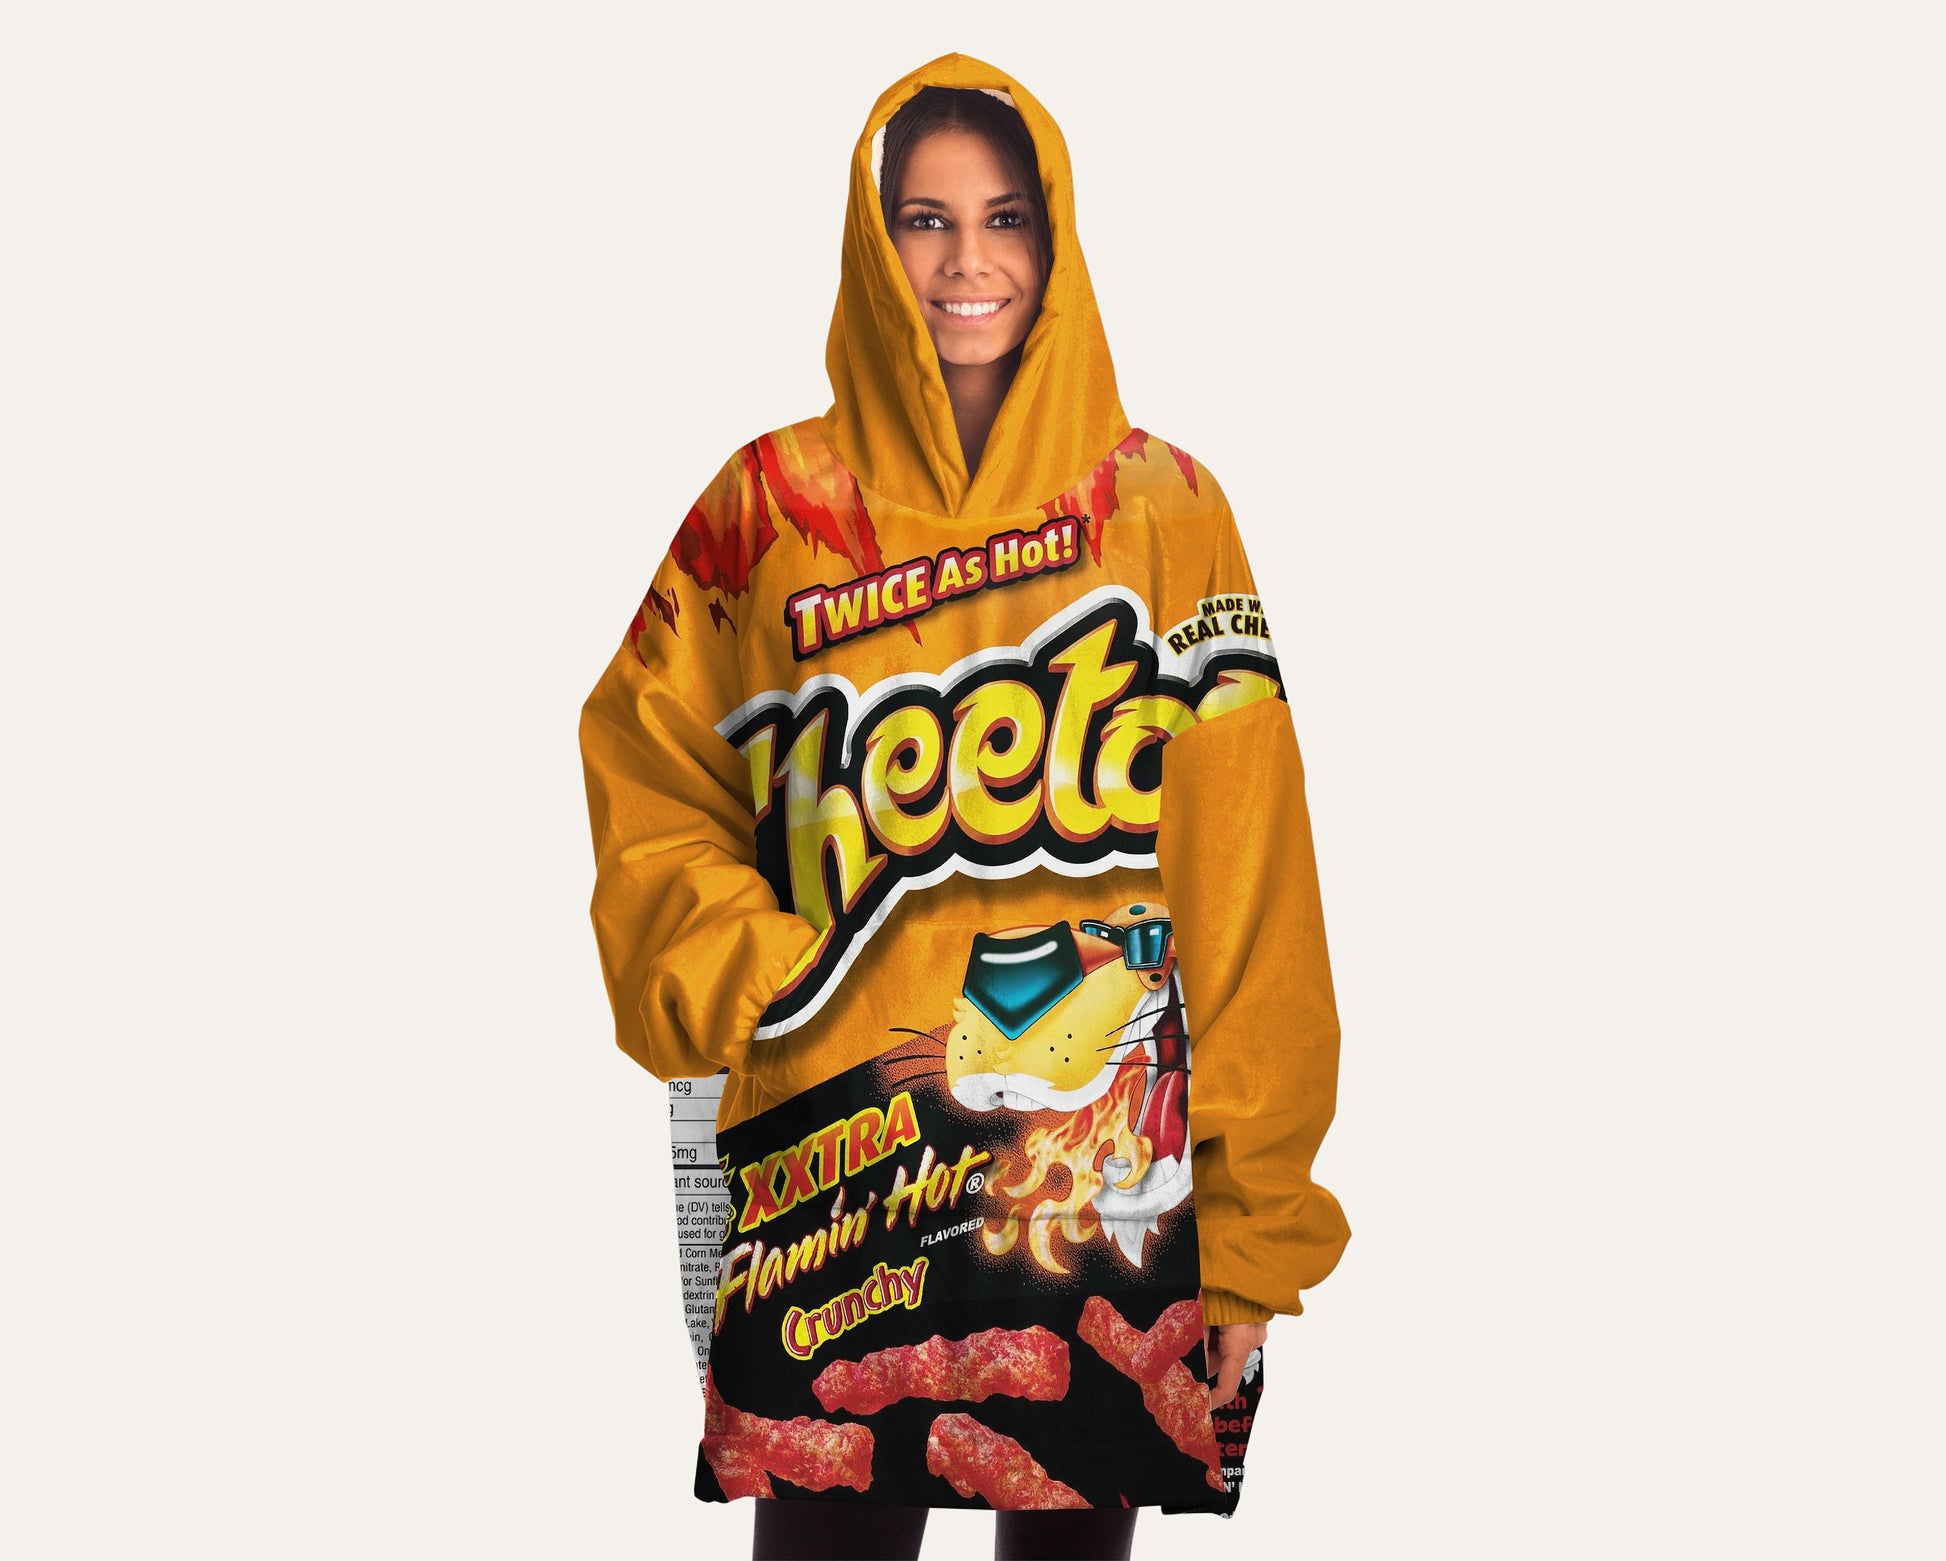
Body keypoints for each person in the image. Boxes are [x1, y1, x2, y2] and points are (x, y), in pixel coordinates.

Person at [578, 55, 1350, 1561]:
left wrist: (1254, 1233)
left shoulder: (1170, 512)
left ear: (1054, 240)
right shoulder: (762, 508)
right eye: (924, 221)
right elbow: (646, 764)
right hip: (829, 1186)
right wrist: (741, 962)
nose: (965, 261)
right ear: (875, 247)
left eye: (1003, 217)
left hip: (1104, 1201)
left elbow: (1251, 873)